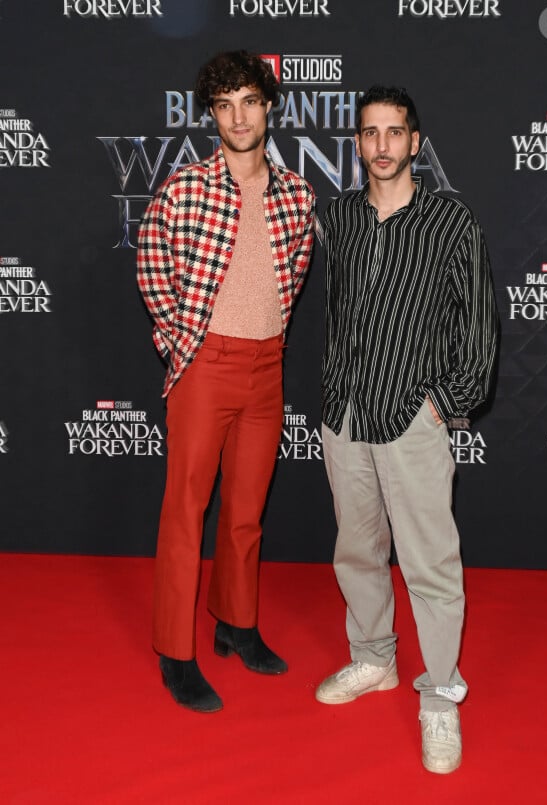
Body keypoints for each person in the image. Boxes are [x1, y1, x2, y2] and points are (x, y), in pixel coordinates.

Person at [315, 85, 499, 773]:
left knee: (430, 565)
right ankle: (373, 660)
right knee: (357, 551)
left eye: (396, 132)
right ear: (357, 143)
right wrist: (334, 388)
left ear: (415, 142)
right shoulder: (339, 217)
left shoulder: (453, 223)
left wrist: (443, 404)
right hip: (346, 416)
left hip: (412, 420)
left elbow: (480, 330)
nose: (383, 144)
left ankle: (441, 697)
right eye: (371, 132)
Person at [137, 51, 315, 714]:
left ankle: (235, 624)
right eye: (224, 105)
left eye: (249, 101)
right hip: (204, 367)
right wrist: (183, 342)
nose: (238, 116)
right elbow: (153, 273)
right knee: (186, 512)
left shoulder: (298, 195)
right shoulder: (183, 190)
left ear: (269, 107)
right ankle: (174, 651)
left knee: (246, 513)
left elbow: (292, 278)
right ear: (212, 114)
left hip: (267, 367)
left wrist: (264, 339)